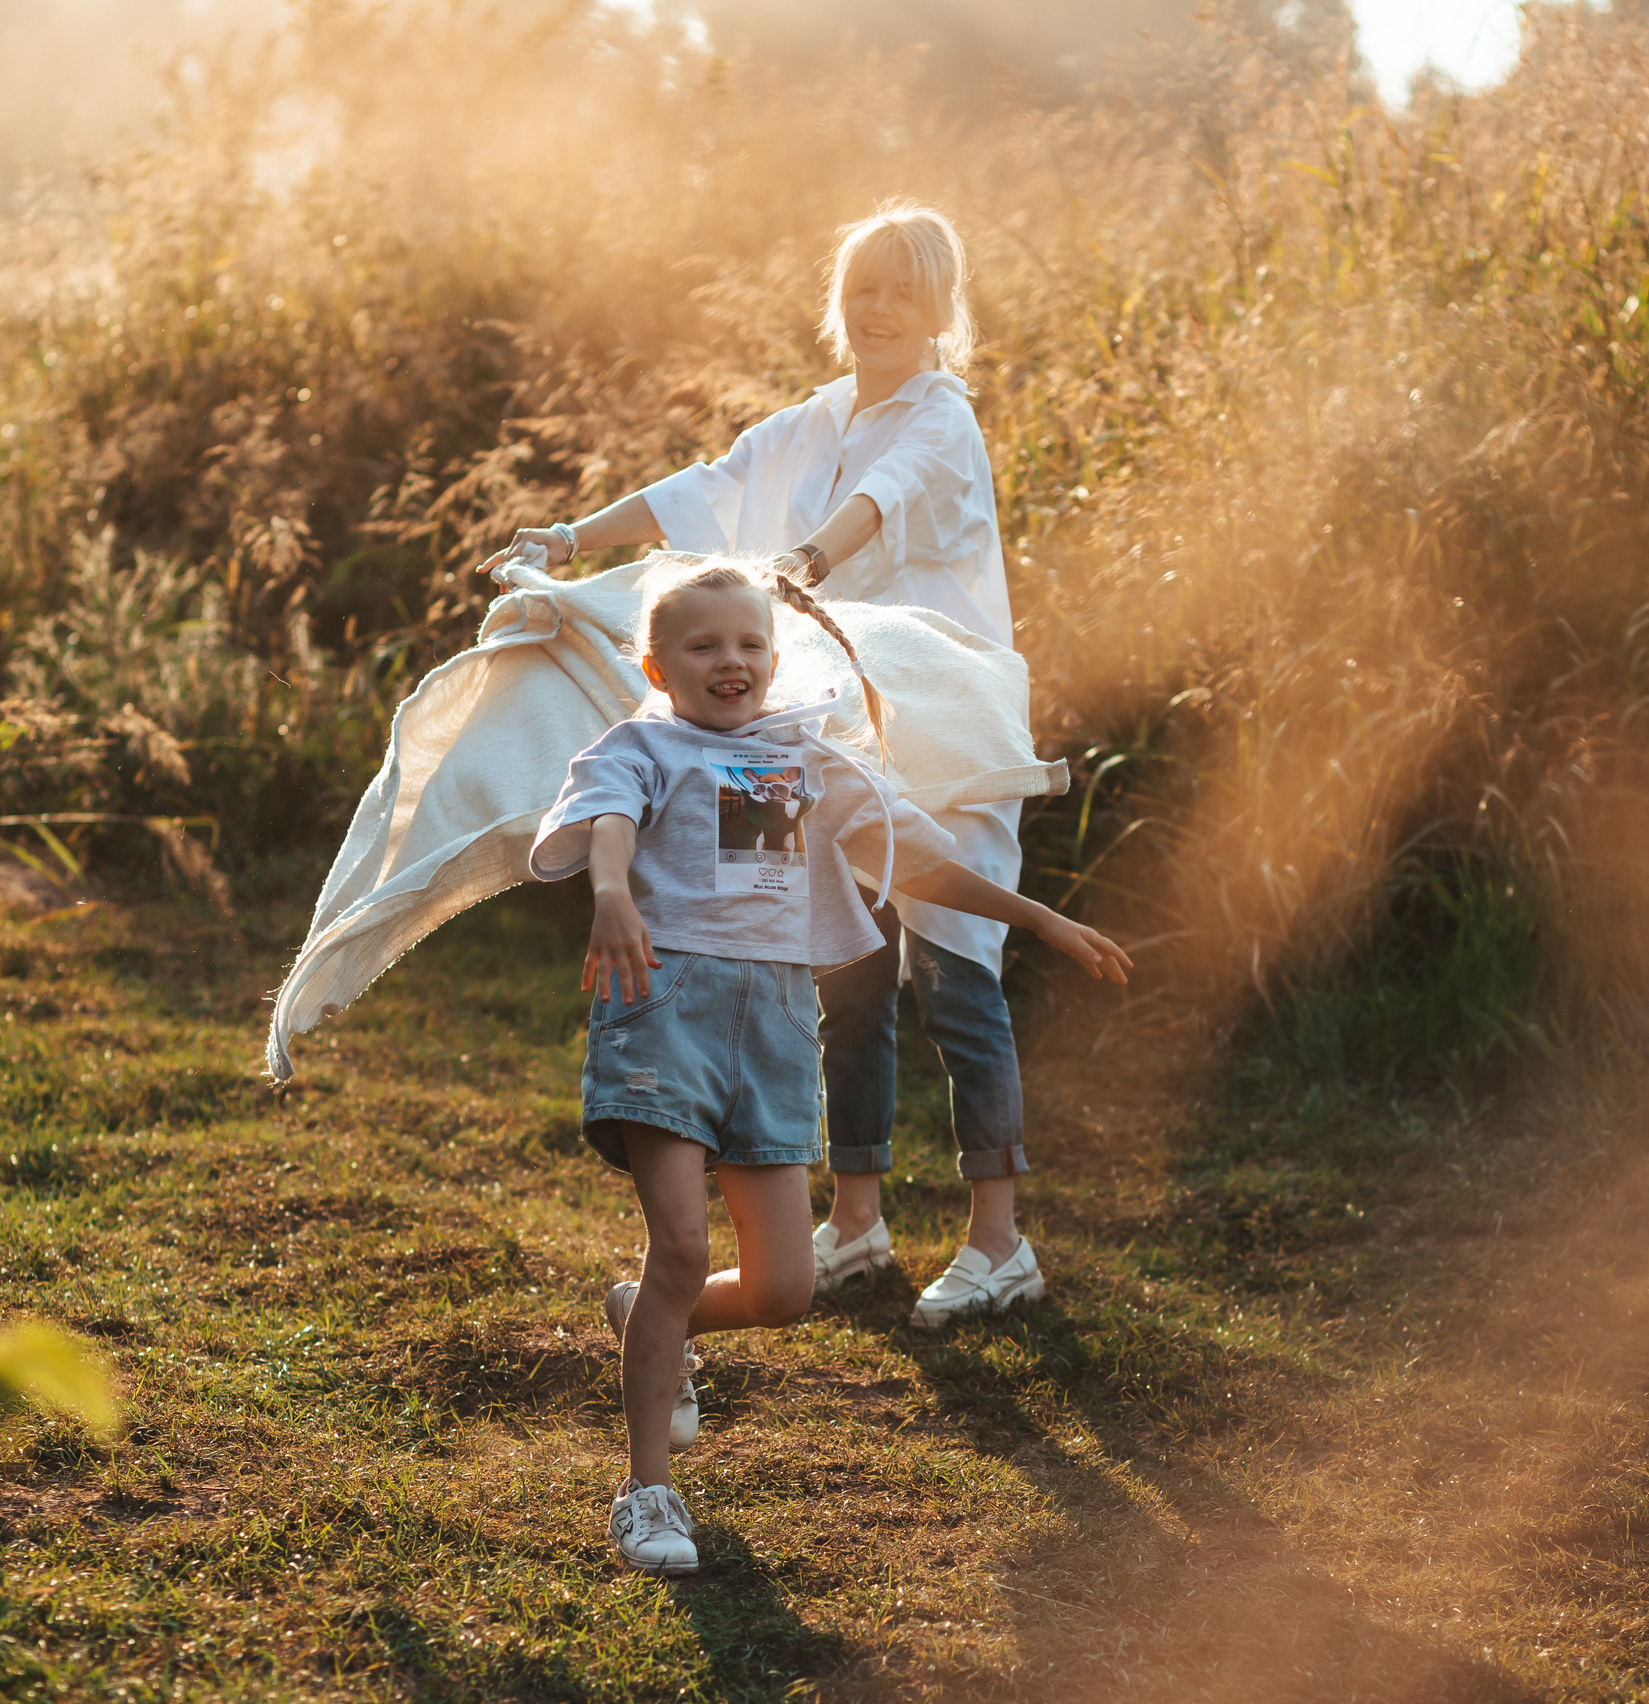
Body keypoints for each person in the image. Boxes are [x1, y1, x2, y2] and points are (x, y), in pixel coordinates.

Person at [484, 201, 1042, 1328]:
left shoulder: (943, 417)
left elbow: (872, 509)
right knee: (840, 970)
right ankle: (856, 1219)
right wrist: (567, 540)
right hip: (827, 725)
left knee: (954, 974)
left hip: (943, 723)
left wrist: (803, 559)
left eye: (903, 293)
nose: (878, 311)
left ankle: (1000, 1241)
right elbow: (708, 482)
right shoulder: (822, 412)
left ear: (940, 312)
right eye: (861, 290)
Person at [529, 556, 1129, 1575]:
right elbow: (611, 822)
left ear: (773, 657)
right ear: (657, 663)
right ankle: (647, 1494)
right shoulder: (644, 745)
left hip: (769, 1028)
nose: (732, 660)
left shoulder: (798, 764)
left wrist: (1042, 917)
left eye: (750, 643)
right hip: (661, 1009)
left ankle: (650, 1324)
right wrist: (613, 894)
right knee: (677, 1244)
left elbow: (921, 855)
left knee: (783, 1290)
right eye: (704, 645)